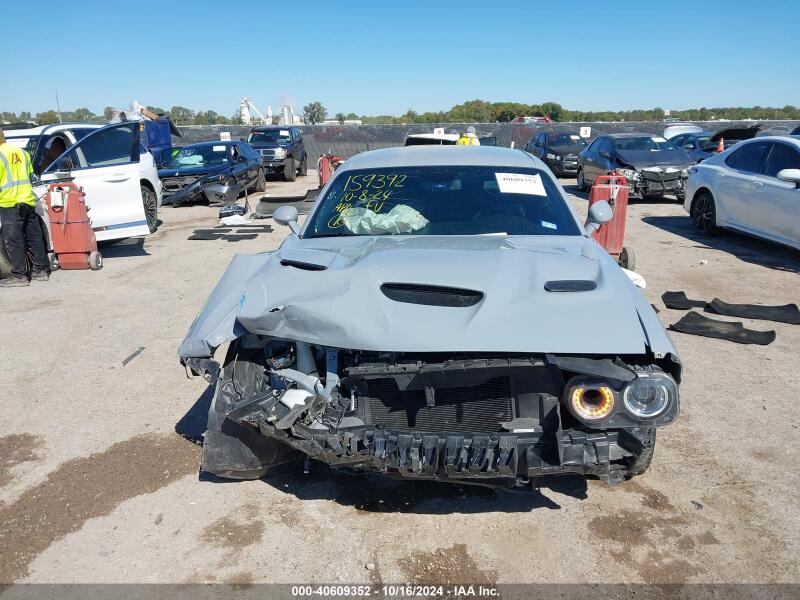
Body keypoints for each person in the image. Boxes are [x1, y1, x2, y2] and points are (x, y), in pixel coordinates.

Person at [0, 129, 49, 287]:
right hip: (27, 200)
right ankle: (41, 270)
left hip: (9, 202)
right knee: (35, 237)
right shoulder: (22, 152)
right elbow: (29, 175)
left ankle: (19, 276)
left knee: (14, 240)